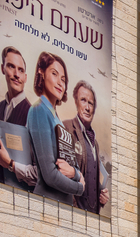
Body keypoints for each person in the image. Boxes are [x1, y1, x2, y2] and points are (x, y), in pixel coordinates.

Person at [26, 52, 84, 204]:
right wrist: (79, 187)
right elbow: (49, 175)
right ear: (42, 73)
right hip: (46, 205)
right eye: (54, 74)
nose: (60, 83)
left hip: (63, 206)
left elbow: (74, 166)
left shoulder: (56, 118)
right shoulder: (39, 110)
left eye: (63, 80)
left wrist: (75, 174)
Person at [0, 46, 41, 189]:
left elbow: (40, 175)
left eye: (21, 70)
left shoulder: (34, 115)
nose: (16, 74)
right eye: (11, 67)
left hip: (20, 195)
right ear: (3, 69)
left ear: (26, 77)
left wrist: (10, 164)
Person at [63, 81, 108, 214]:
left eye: (91, 103)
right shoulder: (66, 128)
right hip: (74, 214)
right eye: (83, 100)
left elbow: (92, 178)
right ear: (76, 102)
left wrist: (102, 196)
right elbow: (61, 173)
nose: (87, 107)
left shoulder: (96, 143)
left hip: (93, 217)